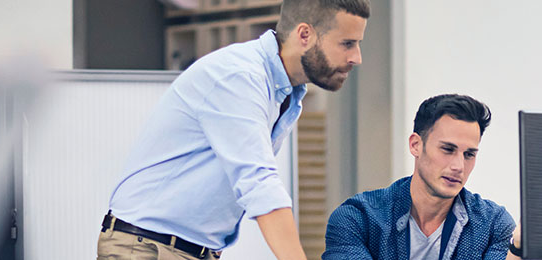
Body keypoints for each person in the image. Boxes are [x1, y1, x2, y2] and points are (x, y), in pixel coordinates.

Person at [98, 0, 370, 259]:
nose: (356, 58)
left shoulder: (285, 91)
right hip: (147, 248)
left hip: (187, 248)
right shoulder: (240, 77)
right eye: (347, 43)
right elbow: (258, 183)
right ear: (304, 35)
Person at [322, 94, 522, 260]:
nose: (458, 166)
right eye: (447, 149)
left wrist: (518, 250)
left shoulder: (493, 225)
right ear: (416, 145)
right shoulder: (358, 219)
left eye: (469, 154)